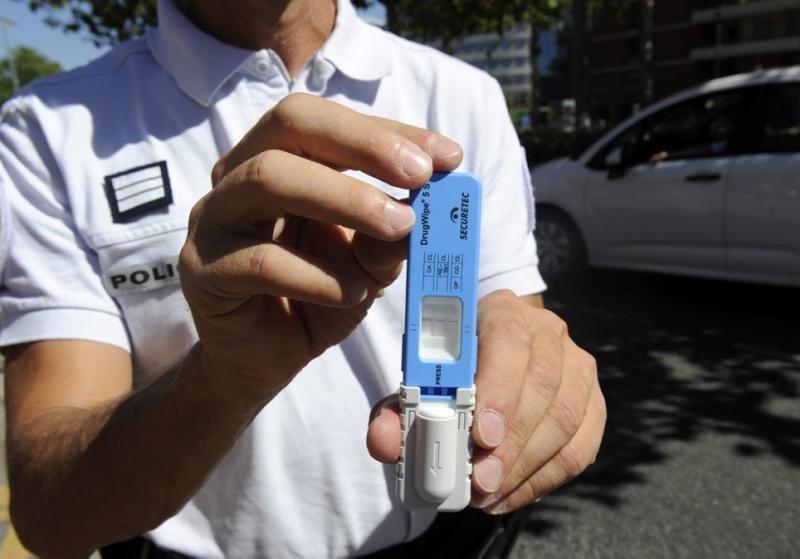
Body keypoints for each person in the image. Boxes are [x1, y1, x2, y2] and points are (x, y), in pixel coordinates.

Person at [0, 0, 606, 557]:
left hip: (446, 541)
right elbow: (50, 517)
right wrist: (222, 380)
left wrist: (537, 381)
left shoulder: (464, 94)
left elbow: (513, 326)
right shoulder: (46, 130)